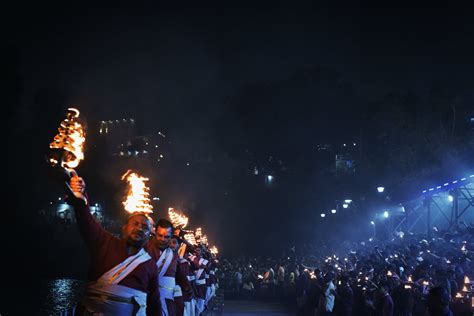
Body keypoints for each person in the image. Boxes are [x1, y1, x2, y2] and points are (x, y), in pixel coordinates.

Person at [68, 173, 160, 315]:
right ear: (124, 228)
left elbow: (154, 304)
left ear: (149, 236)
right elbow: (86, 221)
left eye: (145, 227)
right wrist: (81, 195)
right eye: (135, 224)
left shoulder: (150, 265)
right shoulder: (104, 242)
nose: (140, 228)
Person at [145, 219, 191, 316]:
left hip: (168, 300)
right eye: (160, 235)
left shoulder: (173, 255)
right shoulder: (145, 248)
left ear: (171, 237)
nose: (162, 239)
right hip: (147, 300)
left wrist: (187, 287)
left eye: (166, 237)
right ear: (155, 233)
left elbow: (179, 274)